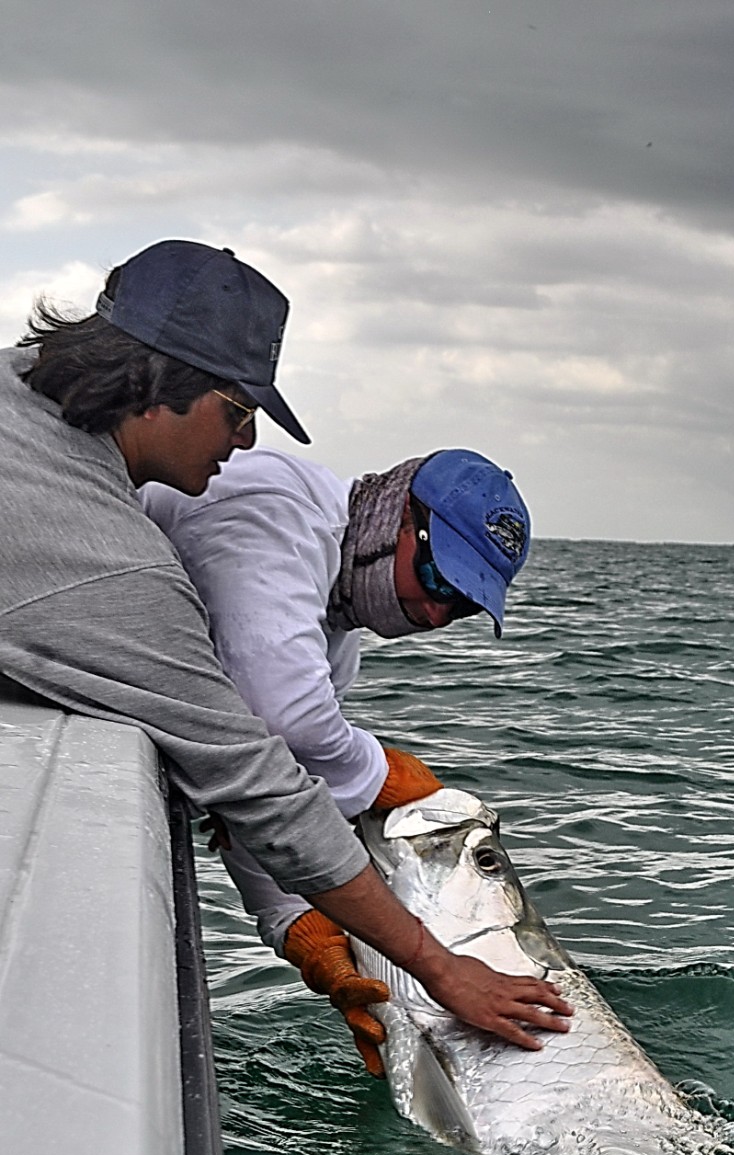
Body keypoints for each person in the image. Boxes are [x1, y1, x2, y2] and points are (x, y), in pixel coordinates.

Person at [0, 238, 571, 1050]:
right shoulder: (150, 553)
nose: (244, 445)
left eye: (462, 610)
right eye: (238, 413)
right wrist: (438, 966)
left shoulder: (25, 398)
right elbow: (262, 755)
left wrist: (302, 925)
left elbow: (251, 769)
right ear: (159, 383)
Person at [142, 441, 534, 1073]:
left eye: (462, 605)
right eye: (438, 577)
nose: (435, 613)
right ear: (396, 518)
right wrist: (379, 774)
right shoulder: (279, 507)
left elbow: (265, 785)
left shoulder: (334, 644)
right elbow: (282, 716)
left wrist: (303, 928)